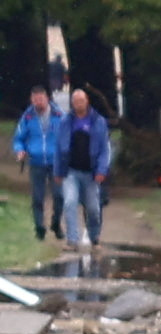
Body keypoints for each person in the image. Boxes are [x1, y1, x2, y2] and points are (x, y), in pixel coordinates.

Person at [56, 90, 110, 249]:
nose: (78, 104)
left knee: (93, 208)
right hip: (70, 171)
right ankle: (72, 240)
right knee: (70, 202)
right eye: (75, 101)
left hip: (91, 173)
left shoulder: (98, 122)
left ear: (87, 101)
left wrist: (102, 169)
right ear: (72, 103)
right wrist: (58, 171)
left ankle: (95, 238)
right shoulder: (65, 121)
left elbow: (104, 150)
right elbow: (59, 148)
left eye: (81, 100)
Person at [14, 93, 58, 244]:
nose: (38, 102)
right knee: (37, 197)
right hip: (36, 162)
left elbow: (67, 136)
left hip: (55, 162)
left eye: (41, 99)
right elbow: (19, 138)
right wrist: (20, 150)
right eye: (35, 100)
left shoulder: (59, 115)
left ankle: (56, 222)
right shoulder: (27, 117)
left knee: (59, 196)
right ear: (31, 100)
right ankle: (39, 228)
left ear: (47, 99)